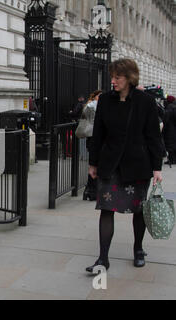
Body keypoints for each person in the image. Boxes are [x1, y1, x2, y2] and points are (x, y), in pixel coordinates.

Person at [86, 59, 164, 273]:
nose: (112, 81)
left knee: (138, 210)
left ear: (129, 78)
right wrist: (93, 162)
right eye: (112, 77)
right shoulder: (105, 101)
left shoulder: (145, 102)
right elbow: (98, 133)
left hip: (137, 165)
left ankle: (138, 249)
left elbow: (153, 137)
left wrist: (157, 167)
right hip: (110, 164)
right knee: (106, 209)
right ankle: (103, 258)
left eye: (117, 77)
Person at [81, 90, 103, 201]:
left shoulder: (103, 106)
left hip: (99, 139)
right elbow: (85, 117)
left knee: (96, 165)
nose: (100, 98)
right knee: (93, 164)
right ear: (94, 97)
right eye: (99, 96)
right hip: (93, 138)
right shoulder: (90, 106)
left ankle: (92, 190)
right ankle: (91, 191)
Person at [163, 95, 176, 164]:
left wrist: (164, 125)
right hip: (174, 128)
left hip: (170, 129)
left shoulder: (170, 107)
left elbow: (166, 118)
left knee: (170, 144)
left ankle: (171, 160)